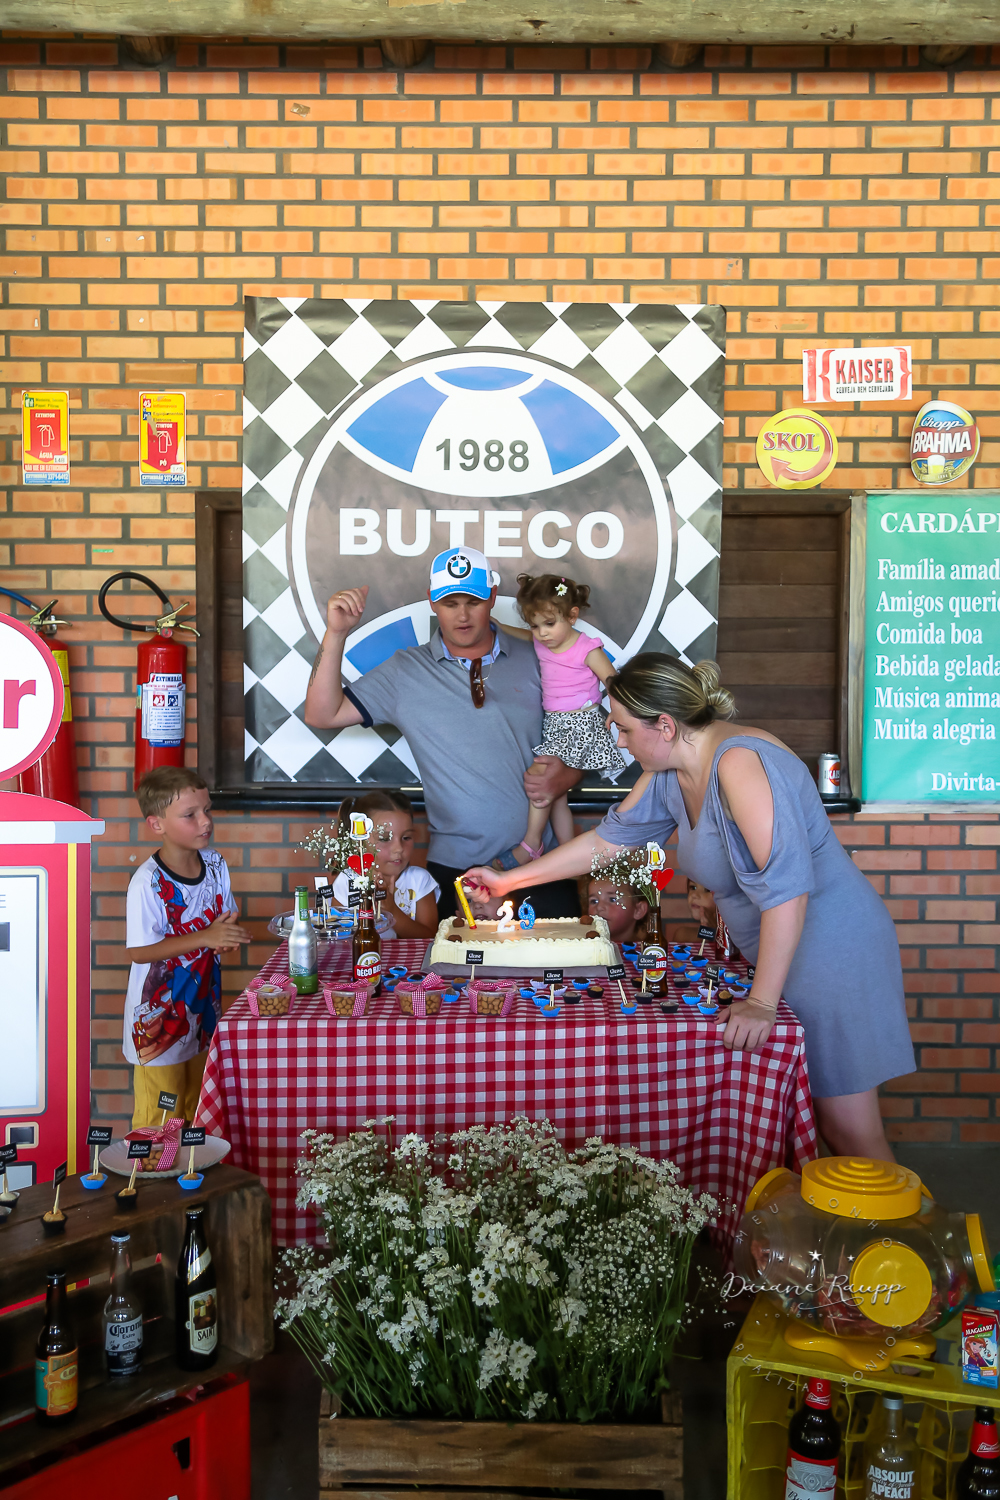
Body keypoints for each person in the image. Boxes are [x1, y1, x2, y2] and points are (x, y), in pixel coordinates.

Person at [462, 653, 915, 1162]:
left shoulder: (740, 764)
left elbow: (788, 890)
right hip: (785, 949)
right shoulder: (670, 769)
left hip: (832, 948)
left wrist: (762, 1003)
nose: (618, 741)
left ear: (665, 726)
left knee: (849, 1129)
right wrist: (509, 881)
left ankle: (914, 1217)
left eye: (624, 729)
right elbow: (608, 843)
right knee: (820, 1121)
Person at [303, 546, 582, 918]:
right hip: (456, 868)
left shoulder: (538, 655)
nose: (462, 615)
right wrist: (336, 633)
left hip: (540, 865)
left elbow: (580, 730)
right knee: (456, 959)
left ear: (492, 598)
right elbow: (322, 713)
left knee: (561, 957)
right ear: (432, 602)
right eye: (450, 603)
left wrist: (567, 775)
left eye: (473, 601)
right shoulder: (406, 671)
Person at [124, 767, 250, 1129]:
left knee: (198, 1113)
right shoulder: (148, 882)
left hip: (203, 1014)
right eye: (190, 815)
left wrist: (225, 937)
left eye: (206, 810)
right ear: (156, 824)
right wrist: (207, 938)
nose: (205, 821)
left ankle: (190, 1168)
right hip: (158, 1026)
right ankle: (150, 1170)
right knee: (161, 1120)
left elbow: (224, 917)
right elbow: (139, 952)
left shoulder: (215, 863)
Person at [493, 572, 625, 869]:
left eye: (549, 624)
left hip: (580, 724)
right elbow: (524, 636)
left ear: (572, 616)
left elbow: (613, 682)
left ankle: (531, 845)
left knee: (541, 779)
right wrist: (499, 626)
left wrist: (618, 713)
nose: (542, 633)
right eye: (535, 625)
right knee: (557, 797)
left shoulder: (586, 648)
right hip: (555, 725)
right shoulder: (543, 642)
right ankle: (569, 856)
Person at [331, 791, 439, 940]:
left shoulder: (420, 880)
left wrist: (392, 910)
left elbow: (430, 937)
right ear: (359, 842)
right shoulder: (346, 882)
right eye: (385, 838)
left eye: (406, 837)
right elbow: (337, 938)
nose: (398, 848)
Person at [586, 877, 649, 947]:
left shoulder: (646, 951)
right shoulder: (584, 947)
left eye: (612, 899)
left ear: (638, 910)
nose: (599, 907)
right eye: (594, 901)